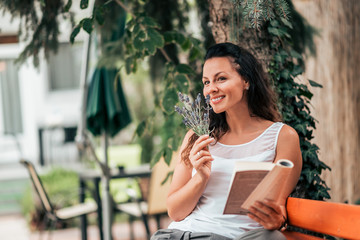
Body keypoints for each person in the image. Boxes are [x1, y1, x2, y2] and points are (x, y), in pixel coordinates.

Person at [152, 42, 302, 240]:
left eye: (220, 79)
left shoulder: (282, 137)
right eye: (206, 82)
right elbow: (175, 212)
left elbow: (278, 207)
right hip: (185, 234)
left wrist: (275, 220)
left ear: (246, 81)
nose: (211, 89)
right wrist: (201, 178)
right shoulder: (196, 136)